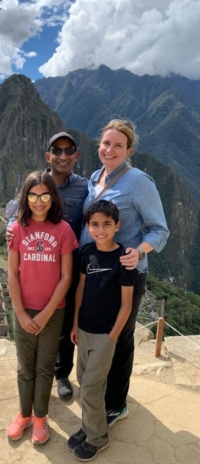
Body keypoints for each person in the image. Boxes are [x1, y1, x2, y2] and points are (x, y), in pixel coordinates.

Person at [80, 119, 169, 427]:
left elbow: (160, 229)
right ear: (99, 146)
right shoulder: (95, 178)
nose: (110, 149)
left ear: (129, 150)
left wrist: (139, 251)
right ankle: (99, 390)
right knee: (97, 333)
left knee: (119, 338)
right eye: (106, 143)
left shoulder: (139, 181)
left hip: (124, 273)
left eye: (118, 145)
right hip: (93, 271)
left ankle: (116, 404)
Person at [6, 132, 88, 401]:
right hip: (39, 267)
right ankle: (37, 383)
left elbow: (99, 214)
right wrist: (10, 228)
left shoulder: (84, 187)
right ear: (48, 155)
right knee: (38, 326)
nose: (63, 156)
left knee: (61, 324)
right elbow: (13, 211)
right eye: (57, 150)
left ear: (76, 155)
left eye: (69, 150)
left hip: (68, 265)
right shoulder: (36, 184)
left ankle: (61, 373)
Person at [6, 171, 78, 445]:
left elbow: (66, 277)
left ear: (53, 197)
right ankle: (24, 414)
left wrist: (48, 312)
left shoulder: (63, 230)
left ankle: (40, 416)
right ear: (26, 197)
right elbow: (12, 273)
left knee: (45, 367)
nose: (39, 201)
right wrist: (22, 313)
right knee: (25, 367)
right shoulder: (16, 229)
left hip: (53, 311)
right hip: (24, 309)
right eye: (33, 195)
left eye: (45, 195)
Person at [67, 200, 138, 461]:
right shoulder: (87, 252)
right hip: (84, 329)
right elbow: (80, 290)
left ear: (117, 226)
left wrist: (113, 337)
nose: (101, 230)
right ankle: (88, 427)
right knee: (84, 380)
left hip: (105, 335)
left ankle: (98, 437)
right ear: (88, 226)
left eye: (107, 224)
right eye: (95, 224)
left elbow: (127, 304)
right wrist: (75, 323)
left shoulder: (125, 259)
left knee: (91, 388)